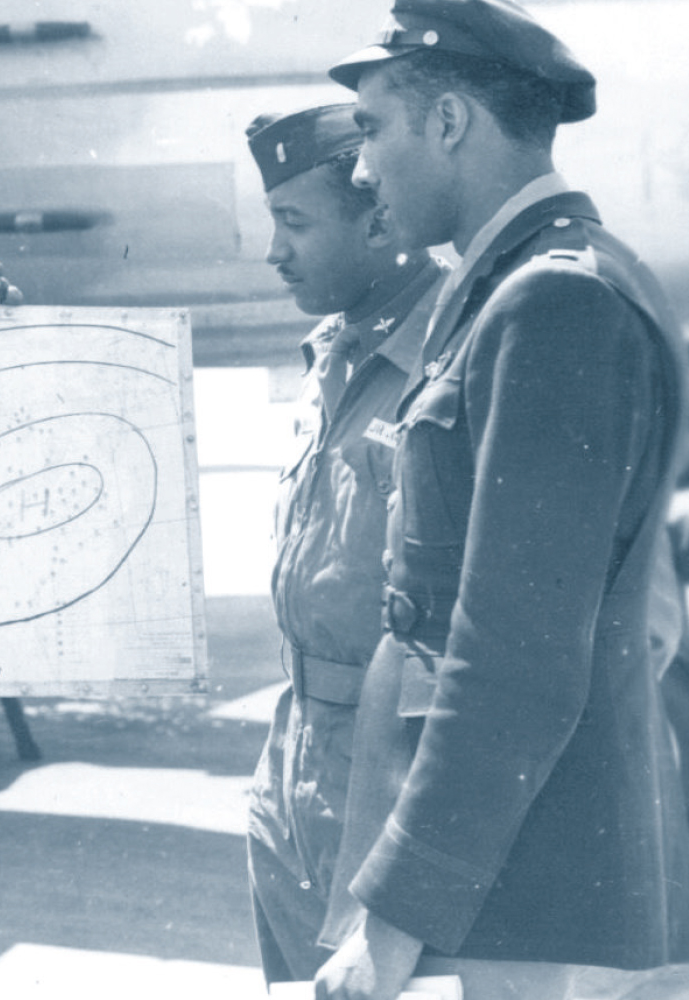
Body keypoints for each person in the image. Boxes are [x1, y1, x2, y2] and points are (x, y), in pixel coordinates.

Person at [314, 2, 689, 998]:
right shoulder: (520, 284)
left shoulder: (551, 300)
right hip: (505, 843)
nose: (359, 169)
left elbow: (512, 654)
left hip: (525, 861)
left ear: (446, 123)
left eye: (370, 128)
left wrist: (393, 923)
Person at [237, 103, 446, 985]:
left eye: (295, 223)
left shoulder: (451, 355)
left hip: (391, 772)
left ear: (378, 218)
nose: (274, 251)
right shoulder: (334, 352)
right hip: (292, 767)